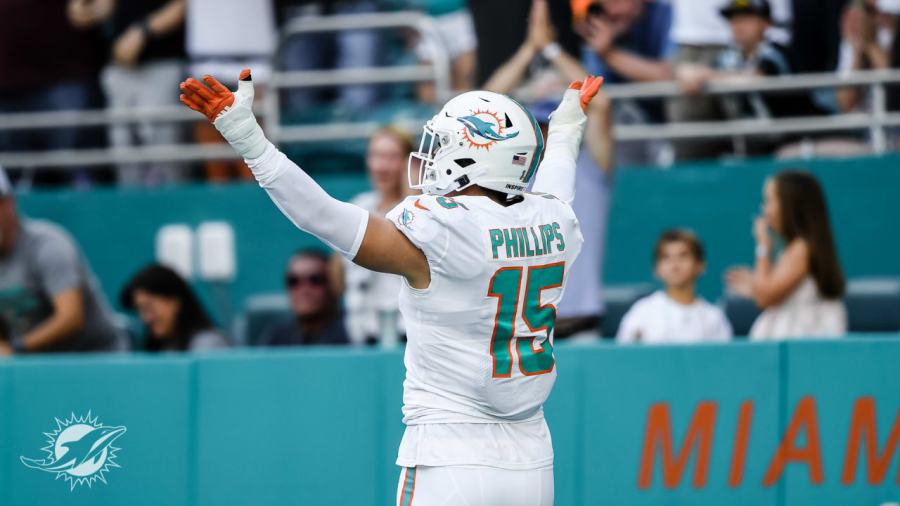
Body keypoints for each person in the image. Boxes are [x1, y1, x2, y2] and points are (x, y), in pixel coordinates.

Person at [180, 65, 602, 505]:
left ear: (475, 156)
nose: (433, 156)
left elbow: (322, 216)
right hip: (533, 462)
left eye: (445, 144)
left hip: (451, 453)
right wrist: (566, 129)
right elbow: (557, 179)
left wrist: (250, 140)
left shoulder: (445, 230)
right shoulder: (554, 218)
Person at [484, 0, 615, 341]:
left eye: (553, 124)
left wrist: (551, 49)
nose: (547, 132)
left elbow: (600, 102)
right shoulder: (510, 174)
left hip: (581, 326)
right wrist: (530, 49)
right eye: (541, 124)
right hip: (523, 333)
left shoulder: (591, 165)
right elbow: (485, 105)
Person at [0, 168, 125, 355]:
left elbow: (71, 316)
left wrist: (16, 348)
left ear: (10, 202)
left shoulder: (48, 245)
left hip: (98, 357)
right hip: (37, 363)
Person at [69, 0, 188, 186]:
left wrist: (143, 31)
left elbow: (184, 5)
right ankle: (131, 201)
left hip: (162, 62)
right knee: (123, 151)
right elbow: (106, 8)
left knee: (164, 152)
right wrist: (91, 10)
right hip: (118, 68)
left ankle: (174, 203)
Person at [726, 171, 847, 340]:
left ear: (789, 204)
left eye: (769, 201)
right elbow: (771, 292)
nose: (764, 209)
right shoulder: (797, 248)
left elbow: (764, 298)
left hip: (805, 343)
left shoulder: (801, 249)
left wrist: (763, 246)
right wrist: (754, 287)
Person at [331, 126, 411, 345]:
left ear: (408, 163)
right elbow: (338, 278)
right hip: (361, 336)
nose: (381, 167)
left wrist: (411, 193)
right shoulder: (358, 207)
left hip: (408, 337)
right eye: (376, 156)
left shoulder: (420, 211)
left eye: (391, 157)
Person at [617, 229, 732, 344]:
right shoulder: (641, 312)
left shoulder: (713, 317)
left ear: (700, 265)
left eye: (683, 256)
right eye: (666, 257)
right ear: (656, 269)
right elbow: (623, 352)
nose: (674, 265)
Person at [120, 263, 230, 351]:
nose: (146, 318)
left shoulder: (206, 345)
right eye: (140, 310)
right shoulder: (164, 348)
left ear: (174, 302)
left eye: (149, 307)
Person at [260, 249, 350, 347]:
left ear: (333, 284)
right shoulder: (277, 338)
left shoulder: (352, 332)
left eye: (315, 280)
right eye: (293, 281)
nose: (303, 290)